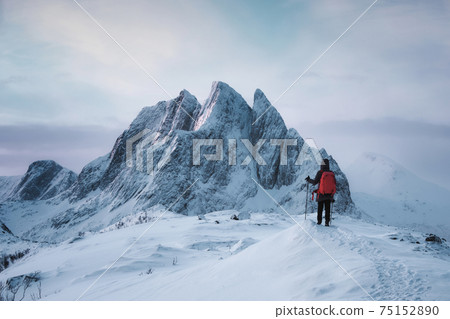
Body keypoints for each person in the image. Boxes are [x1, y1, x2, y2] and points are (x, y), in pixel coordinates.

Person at [305, 159, 336, 226]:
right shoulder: (331, 173)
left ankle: (319, 222)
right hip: (329, 195)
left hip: (321, 194)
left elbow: (315, 182)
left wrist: (308, 180)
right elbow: (334, 184)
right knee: (327, 209)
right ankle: (327, 222)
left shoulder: (320, 172)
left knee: (320, 209)